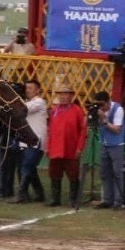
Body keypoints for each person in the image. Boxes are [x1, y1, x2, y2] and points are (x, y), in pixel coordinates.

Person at [46, 80, 86, 209]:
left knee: (73, 174)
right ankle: (55, 198)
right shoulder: (54, 111)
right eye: (60, 94)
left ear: (71, 96)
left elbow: (83, 131)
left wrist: (80, 148)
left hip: (71, 148)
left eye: (65, 94)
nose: (62, 97)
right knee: (54, 173)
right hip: (56, 148)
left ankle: (73, 199)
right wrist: (48, 147)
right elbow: (50, 131)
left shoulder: (77, 111)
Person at [9, 79, 49, 204]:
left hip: (36, 139)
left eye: (30, 88)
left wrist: (15, 96)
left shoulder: (40, 102)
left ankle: (21, 194)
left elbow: (23, 109)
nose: (27, 91)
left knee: (27, 166)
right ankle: (39, 194)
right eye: (26, 88)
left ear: (37, 90)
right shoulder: (28, 102)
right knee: (28, 167)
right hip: (26, 139)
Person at [91, 89, 125, 210]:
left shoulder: (118, 109)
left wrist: (104, 119)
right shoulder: (99, 110)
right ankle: (107, 199)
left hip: (116, 144)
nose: (101, 107)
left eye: (102, 104)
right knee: (104, 173)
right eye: (98, 104)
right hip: (104, 143)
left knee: (117, 173)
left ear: (108, 101)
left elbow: (117, 129)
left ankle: (118, 201)